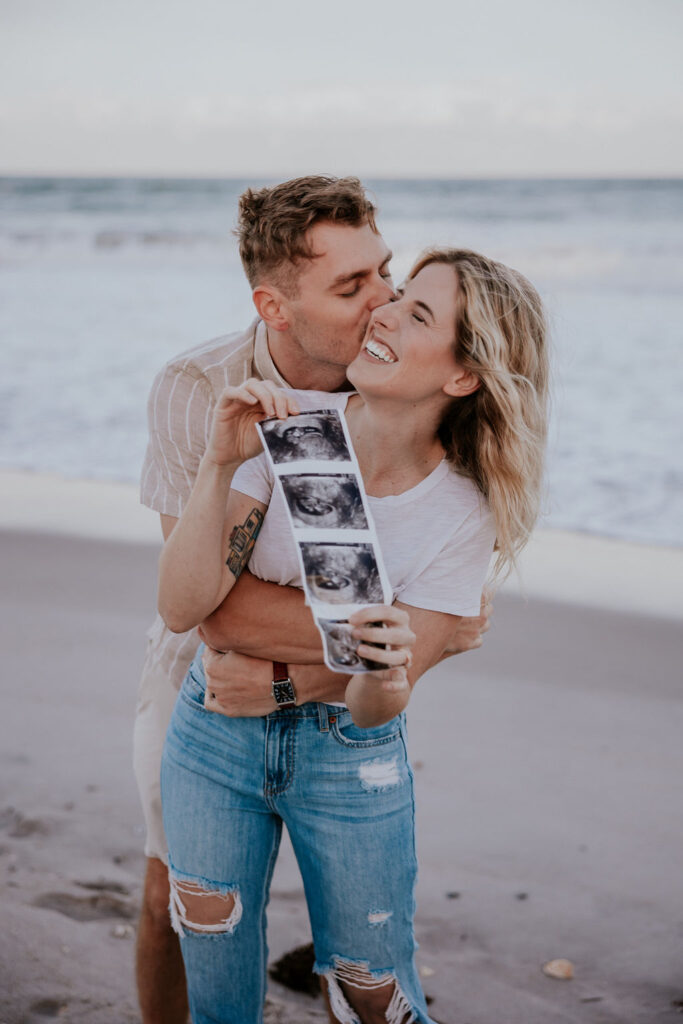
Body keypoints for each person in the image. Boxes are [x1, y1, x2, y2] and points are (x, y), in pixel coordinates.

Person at [156, 246, 549, 1023]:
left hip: (349, 760)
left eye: (418, 314)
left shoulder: (464, 510)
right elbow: (193, 610)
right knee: (216, 997)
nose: (383, 312)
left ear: (463, 374)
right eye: (397, 296)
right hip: (212, 738)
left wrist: (376, 667)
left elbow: (376, 704)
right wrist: (217, 465)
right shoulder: (294, 432)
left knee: (372, 997)